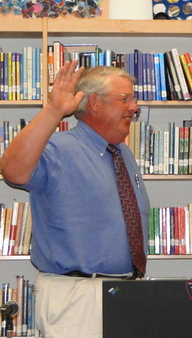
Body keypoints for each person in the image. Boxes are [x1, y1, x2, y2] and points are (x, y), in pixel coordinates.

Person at [0, 60, 150, 338]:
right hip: (76, 296)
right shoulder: (59, 148)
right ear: (94, 103)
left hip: (125, 290)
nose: (134, 107)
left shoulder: (121, 153)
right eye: (124, 99)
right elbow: (12, 171)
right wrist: (54, 110)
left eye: (134, 99)